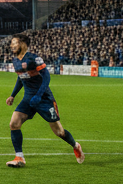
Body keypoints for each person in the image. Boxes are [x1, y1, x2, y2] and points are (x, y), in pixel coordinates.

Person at [5, 33, 84, 168]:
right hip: (28, 98)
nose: (12, 45)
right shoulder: (15, 60)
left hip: (44, 98)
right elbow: (20, 78)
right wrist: (12, 95)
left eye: (14, 42)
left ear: (23, 44)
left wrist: (39, 95)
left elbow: (46, 77)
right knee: (14, 123)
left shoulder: (34, 58)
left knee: (59, 132)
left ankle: (75, 146)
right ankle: (19, 157)